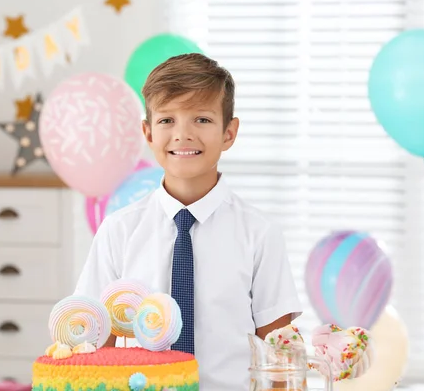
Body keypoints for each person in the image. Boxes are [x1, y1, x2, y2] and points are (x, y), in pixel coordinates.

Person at [75, 53, 302, 390]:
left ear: (229, 132)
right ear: (148, 133)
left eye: (202, 119)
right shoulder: (119, 231)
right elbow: (94, 347)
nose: (182, 134)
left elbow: (279, 358)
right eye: (167, 120)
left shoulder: (259, 234)